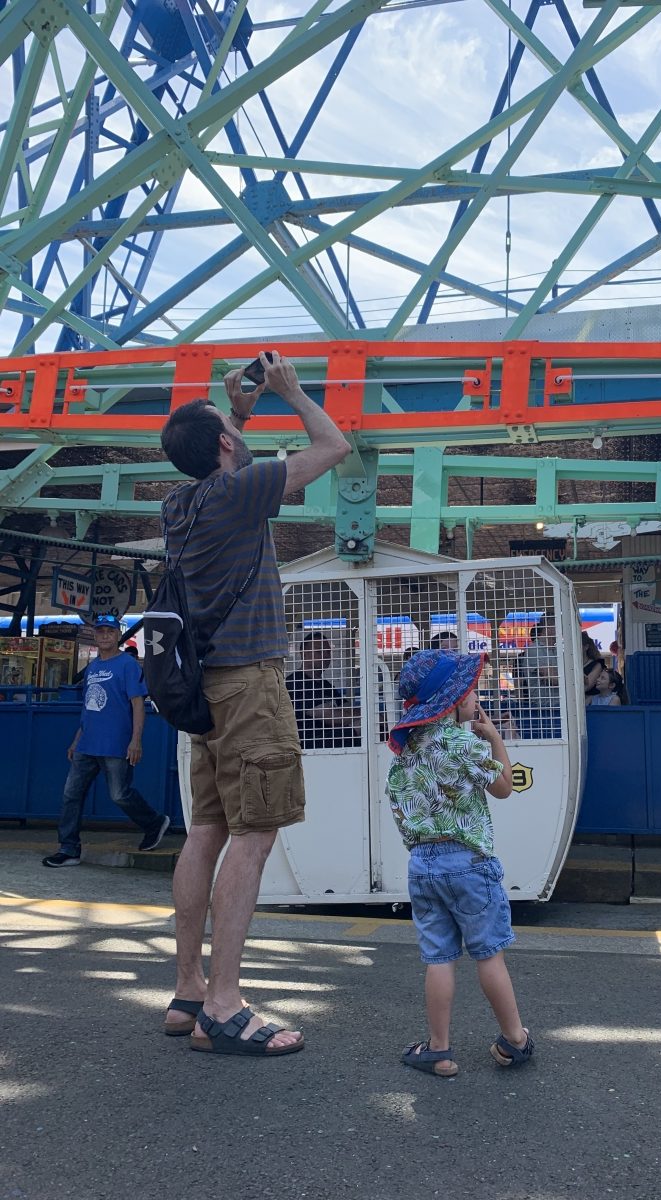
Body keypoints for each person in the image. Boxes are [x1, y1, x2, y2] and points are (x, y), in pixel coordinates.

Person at [159, 349, 350, 1057]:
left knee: (205, 830)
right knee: (256, 833)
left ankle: (188, 989)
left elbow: (218, 453)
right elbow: (335, 446)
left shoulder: (178, 501)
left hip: (205, 691)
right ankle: (226, 1003)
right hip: (250, 688)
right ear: (226, 448)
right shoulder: (240, 494)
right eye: (228, 429)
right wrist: (293, 392)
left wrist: (235, 410)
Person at [386, 649, 534, 1078]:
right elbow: (504, 788)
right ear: (451, 701)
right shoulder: (463, 743)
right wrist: (494, 738)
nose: (475, 697)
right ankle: (514, 1039)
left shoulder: (408, 751)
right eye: (469, 691)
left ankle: (439, 1050)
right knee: (488, 954)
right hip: (468, 862)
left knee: (438, 958)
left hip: (423, 864)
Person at [41, 613, 169, 868]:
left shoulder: (128, 665)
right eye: (101, 631)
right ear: (96, 635)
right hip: (87, 744)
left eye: (110, 631)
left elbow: (137, 704)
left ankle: (154, 822)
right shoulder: (93, 667)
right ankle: (68, 848)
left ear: (117, 636)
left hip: (116, 743)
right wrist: (77, 739)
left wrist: (136, 740)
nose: (105, 635)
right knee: (71, 795)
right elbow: (89, 707)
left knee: (119, 794)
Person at [286, 630, 360, 748]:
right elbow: (330, 716)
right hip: (311, 743)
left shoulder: (326, 685)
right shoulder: (294, 683)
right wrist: (364, 715)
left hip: (333, 737)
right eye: (319, 651)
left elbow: (346, 707)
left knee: (369, 724)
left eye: (327, 652)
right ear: (304, 654)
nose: (325, 656)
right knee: (363, 726)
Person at [516, 615, 561, 738]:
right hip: (544, 711)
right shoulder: (534, 649)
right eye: (559, 624)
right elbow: (552, 679)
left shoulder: (557, 650)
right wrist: (569, 677)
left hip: (560, 707)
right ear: (549, 626)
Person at [581, 631, 606, 700]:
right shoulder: (568, 665)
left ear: (586, 647)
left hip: (592, 705)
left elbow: (588, 685)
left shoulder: (597, 665)